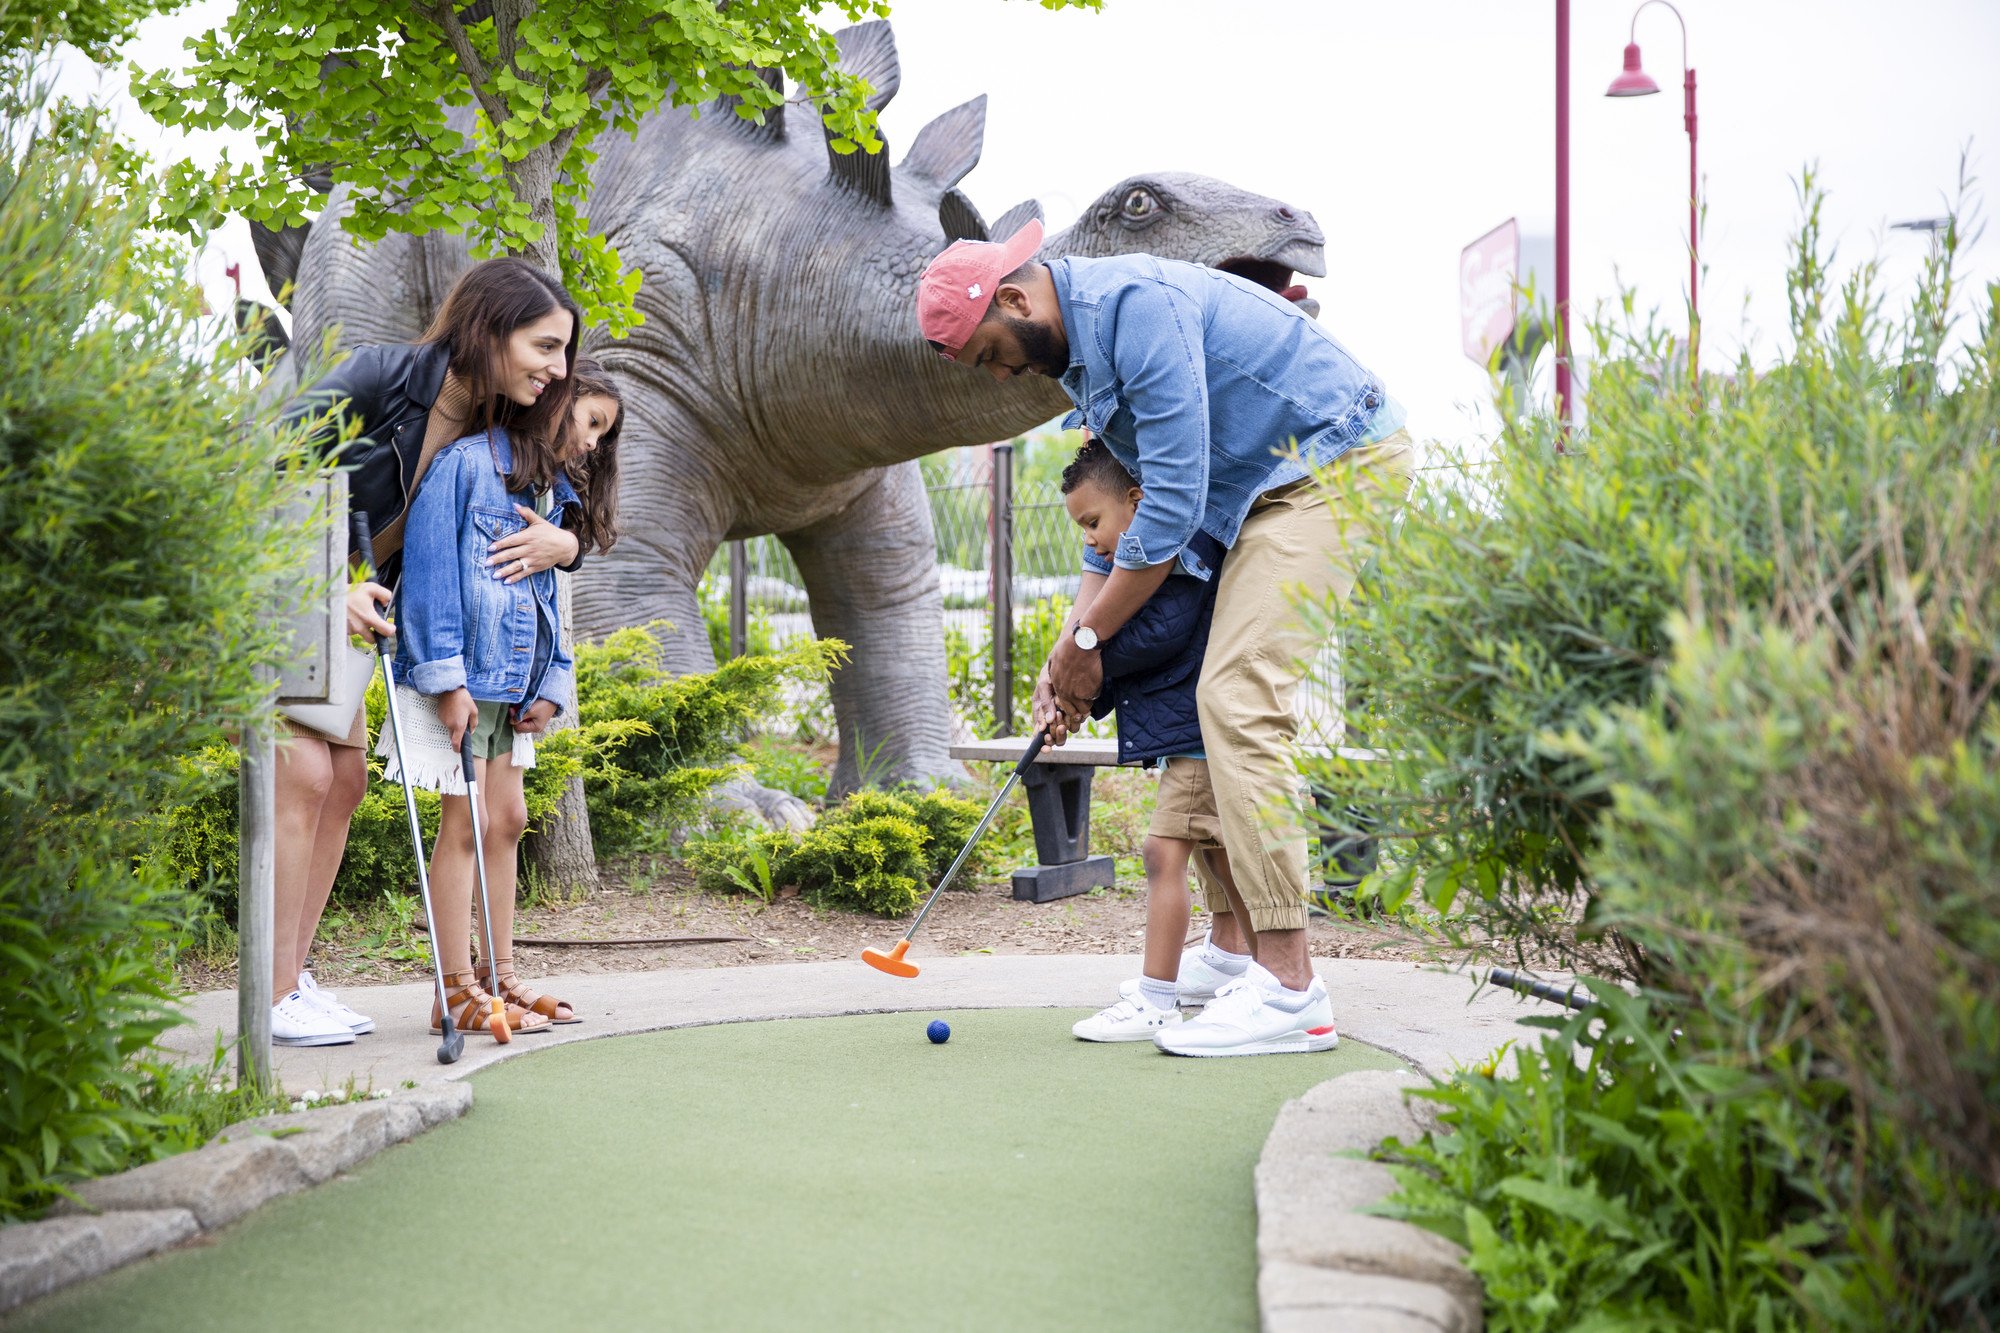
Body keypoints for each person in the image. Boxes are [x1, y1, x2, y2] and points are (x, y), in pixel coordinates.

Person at [918, 220, 1414, 1057]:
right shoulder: (1080, 357)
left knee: (1235, 698)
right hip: (1264, 491)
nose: (1001, 373)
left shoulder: (1136, 309)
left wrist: (1089, 644)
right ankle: (1231, 957)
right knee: (1211, 702)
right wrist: (1066, 651)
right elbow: (1109, 529)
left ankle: (1292, 989)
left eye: (993, 353)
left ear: (1012, 299)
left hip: (1335, 464)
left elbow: (1173, 510)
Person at [266, 258, 586, 1048]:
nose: (559, 369)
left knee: (341, 781)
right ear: (491, 328)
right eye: (545, 346)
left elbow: (561, 500)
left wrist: (566, 545)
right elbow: (270, 464)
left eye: (565, 352)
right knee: (304, 772)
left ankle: (292, 979)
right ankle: (267, 992)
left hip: (358, 607)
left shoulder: (495, 426)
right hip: (290, 579)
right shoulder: (382, 378)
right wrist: (335, 578)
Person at [384, 357, 622, 1037]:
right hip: (466, 679)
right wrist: (448, 682)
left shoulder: (553, 496)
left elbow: (551, 603)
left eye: (604, 434)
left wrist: (552, 686)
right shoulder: (463, 466)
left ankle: (497, 971)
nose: (594, 443)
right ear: (558, 399)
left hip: (515, 685)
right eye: (592, 422)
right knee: (464, 824)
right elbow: (427, 580)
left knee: (508, 818)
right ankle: (452, 986)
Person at [1056, 441, 1259, 1043]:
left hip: (1199, 731)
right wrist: (1075, 688)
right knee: (1213, 855)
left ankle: (1156, 999)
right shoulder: (1145, 565)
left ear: (1138, 502)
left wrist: (1086, 678)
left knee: (1161, 853)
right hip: (1188, 727)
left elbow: (1155, 640)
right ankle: (1251, 965)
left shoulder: (1168, 563)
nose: (1090, 541)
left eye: (1094, 522)